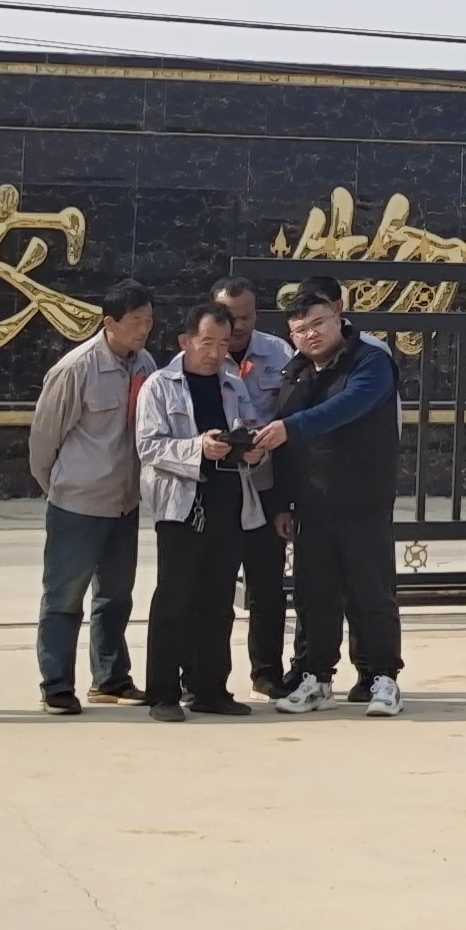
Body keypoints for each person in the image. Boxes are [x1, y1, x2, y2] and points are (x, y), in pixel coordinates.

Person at [249, 286, 405, 717]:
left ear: (338, 317)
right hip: (312, 506)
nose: (311, 334)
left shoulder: (371, 362)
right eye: (301, 330)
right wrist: (282, 502)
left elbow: (346, 407)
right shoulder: (296, 372)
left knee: (371, 594)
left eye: (318, 323)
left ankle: (383, 679)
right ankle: (315, 678)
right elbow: (284, 446)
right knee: (314, 596)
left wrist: (291, 427)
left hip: (363, 502)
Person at [132, 304, 277, 721]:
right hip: (181, 504)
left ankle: (209, 688)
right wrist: (198, 447)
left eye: (223, 344)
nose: (215, 353)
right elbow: (149, 446)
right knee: (174, 598)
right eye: (206, 343)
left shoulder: (233, 383)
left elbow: (249, 428)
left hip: (229, 500)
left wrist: (253, 450)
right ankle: (163, 693)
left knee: (218, 599)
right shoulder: (160, 386)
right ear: (185, 341)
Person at [24, 281, 162, 713]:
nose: (144, 329)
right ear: (109, 323)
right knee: (64, 597)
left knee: (116, 596)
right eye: (135, 321)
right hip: (78, 505)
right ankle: (56, 684)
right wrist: (61, 486)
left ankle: (111, 679)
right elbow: (44, 441)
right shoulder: (76, 368)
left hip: (125, 502)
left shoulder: (146, 365)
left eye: (149, 320)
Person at [206, 274, 304, 699]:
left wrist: (285, 498)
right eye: (230, 317)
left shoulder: (280, 354)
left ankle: (266, 674)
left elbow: (293, 425)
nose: (239, 326)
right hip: (216, 486)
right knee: (214, 587)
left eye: (247, 317)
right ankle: (206, 677)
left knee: (267, 588)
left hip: (265, 487)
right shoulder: (202, 355)